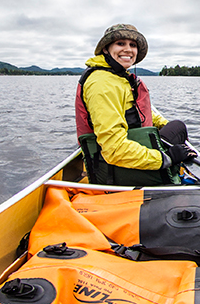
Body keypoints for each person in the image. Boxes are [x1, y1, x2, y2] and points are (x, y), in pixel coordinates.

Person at [75, 24, 192, 186]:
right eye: (120, 43)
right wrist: (166, 158)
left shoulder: (118, 78)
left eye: (133, 45)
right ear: (105, 49)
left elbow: (141, 112)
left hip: (124, 160)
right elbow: (114, 149)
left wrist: (166, 126)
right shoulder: (102, 84)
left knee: (176, 128)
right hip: (114, 171)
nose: (128, 49)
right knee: (177, 130)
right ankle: (167, 171)